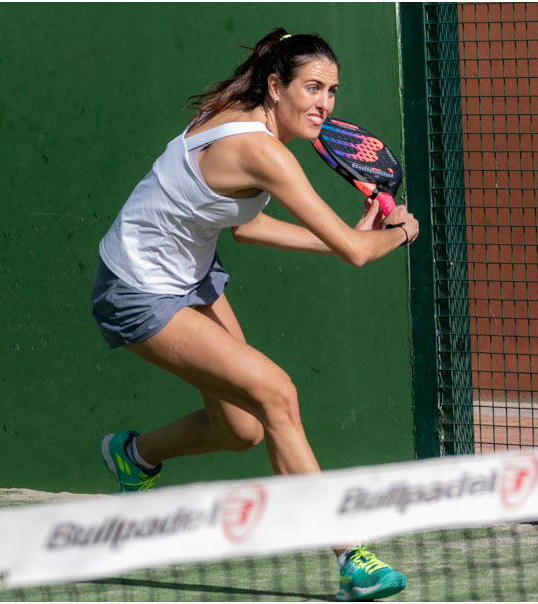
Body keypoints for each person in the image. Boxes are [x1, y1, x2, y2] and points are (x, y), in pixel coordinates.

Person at [90, 28, 417, 602]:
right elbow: (357, 253)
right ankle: (351, 557)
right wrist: (399, 232)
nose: (324, 103)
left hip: (191, 272)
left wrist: (348, 238)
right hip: (137, 289)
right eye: (312, 88)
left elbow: (247, 227)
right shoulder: (262, 151)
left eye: (332, 91)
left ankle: (134, 456)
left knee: (241, 430)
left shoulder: (247, 118)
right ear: (275, 86)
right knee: (278, 394)